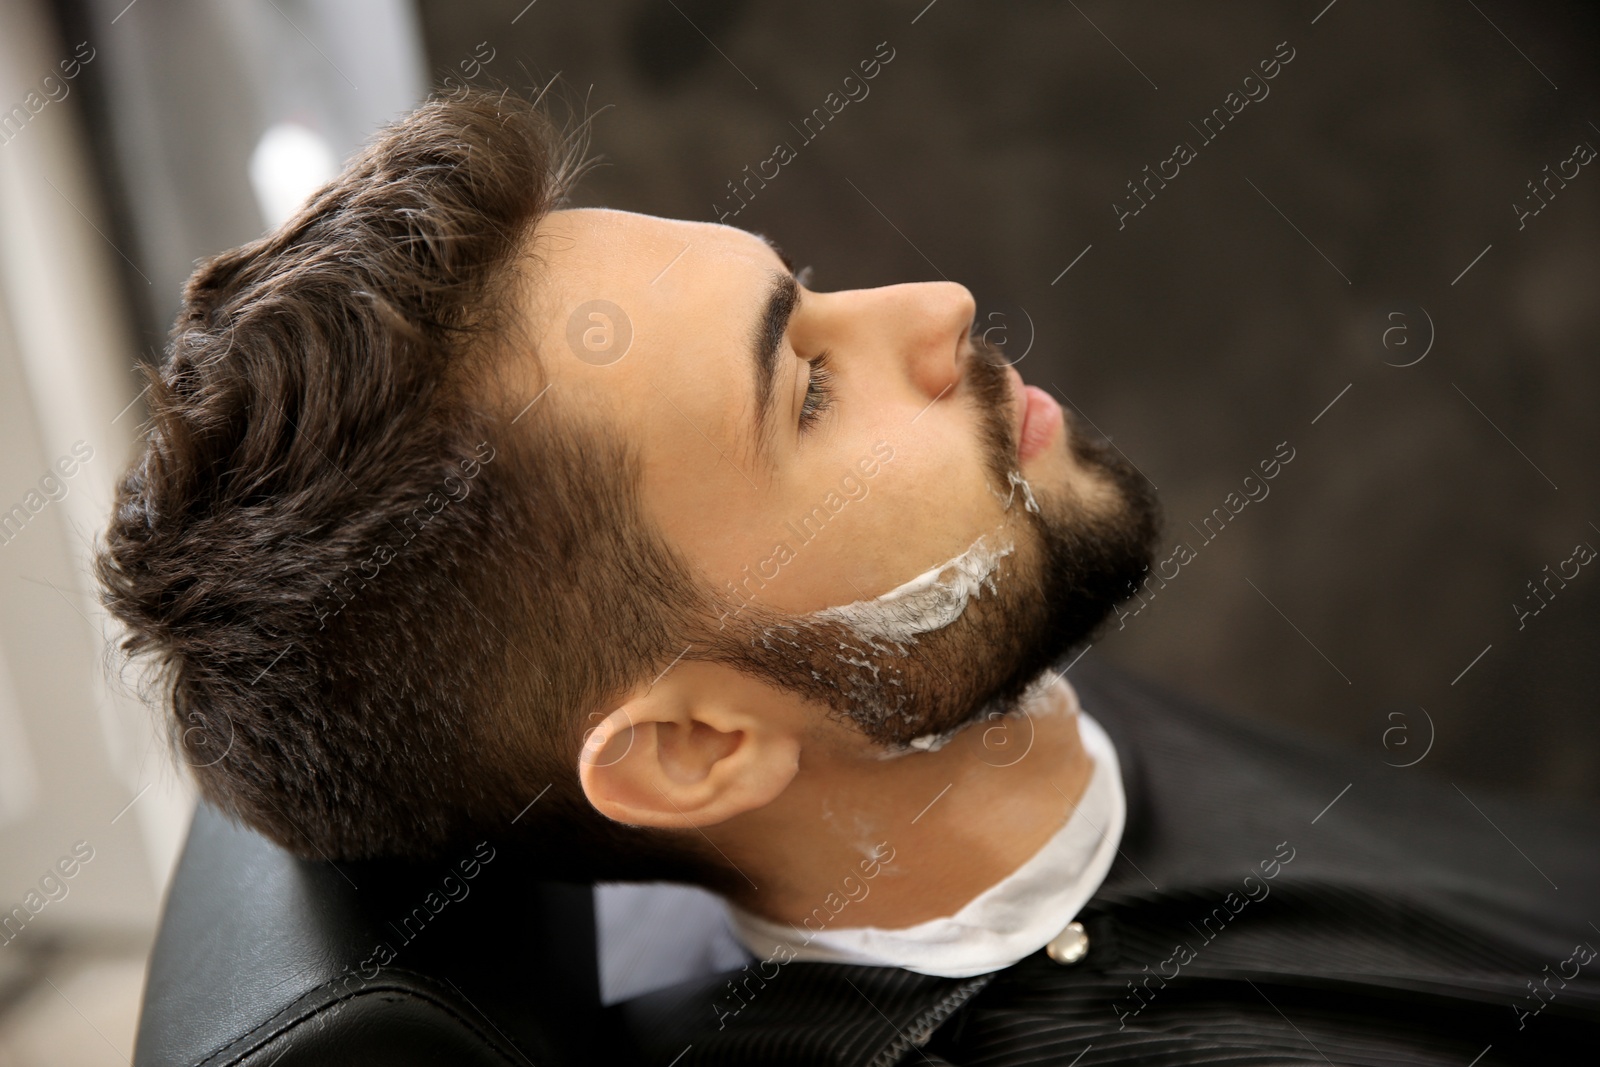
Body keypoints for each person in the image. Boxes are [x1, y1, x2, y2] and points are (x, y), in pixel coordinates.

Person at [96, 89, 1599, 1065]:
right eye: (806, 391)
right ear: (700, 746)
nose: (937, 309)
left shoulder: (943, 667)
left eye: (804, 291)